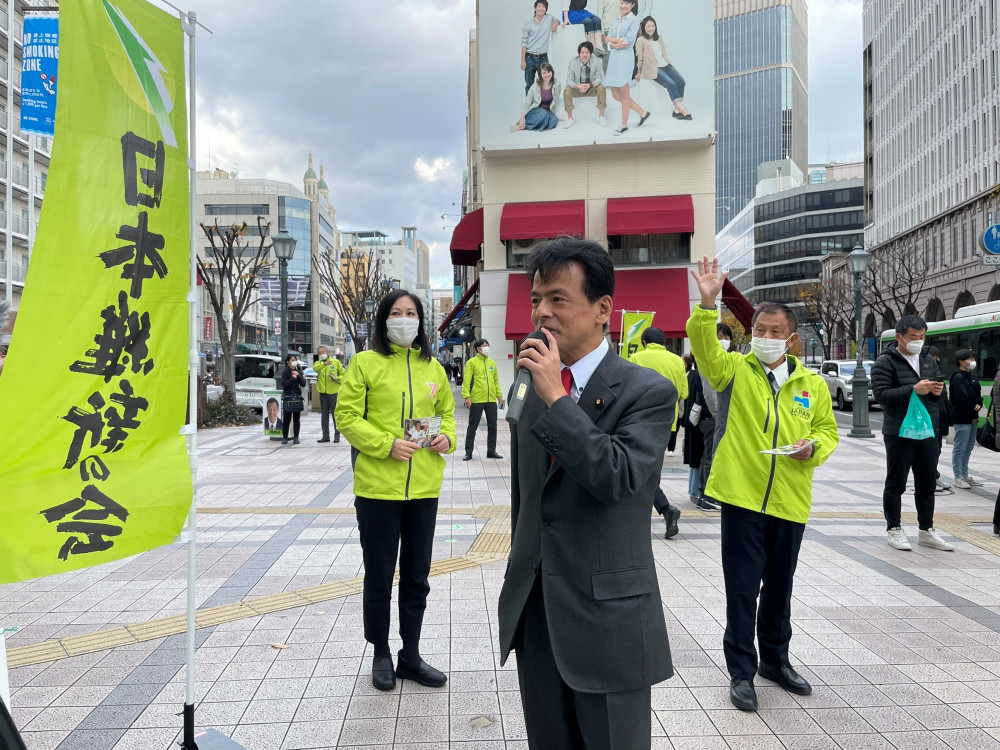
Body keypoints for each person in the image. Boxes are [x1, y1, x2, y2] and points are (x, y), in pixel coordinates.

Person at [498, 238, 674, 750]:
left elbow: (617, 477)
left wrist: (557, 397)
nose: (541, 313)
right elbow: (525, 496)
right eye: (535, 299)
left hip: (609, 621)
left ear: (602, 310)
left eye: (557, 299)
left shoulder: (646, 391)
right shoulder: (528, 383)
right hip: (537, 612)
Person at [688, 257, 839, 712]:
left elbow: (828, 431)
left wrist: (813, 446)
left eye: (776, 332)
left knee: (779, 586)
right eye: (761, 329)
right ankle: (741, 672)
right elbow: (704, 350)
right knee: (741, 587)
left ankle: (776, 660)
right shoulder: (734, 369)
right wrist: (708, 304)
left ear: (792, 339)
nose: (767, 338)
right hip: (742, 497)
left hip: (790, 501)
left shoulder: (812, 384)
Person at [335, 290, 457, 692]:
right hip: (377, 490)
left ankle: (412, 655)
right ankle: (381, 652)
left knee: (418, 575)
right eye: (396, 313)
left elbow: (446, 416)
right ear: (384, 320)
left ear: (421, 321)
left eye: (411, 313)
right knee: (380, 575)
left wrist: (447, 440)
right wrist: (386, 444)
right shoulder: (364, 364)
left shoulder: (433, 368)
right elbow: (347, 416)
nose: (404, 319)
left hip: (423, 489)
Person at [871, 315, 954, 552]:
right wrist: (913, 390)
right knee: (896, 483)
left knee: (927, 483)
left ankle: (926, 530)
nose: (918, 342)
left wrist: (937, 392)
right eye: (913, 338)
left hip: (928, 430)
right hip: (899, 431)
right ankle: (894, 529)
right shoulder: (885, 362)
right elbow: (882, 396)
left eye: (922, 337)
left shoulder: (928, 359)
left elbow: (940, 395)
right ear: (900, 337)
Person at [629, 326, 687, 537]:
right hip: (667, 425)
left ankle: (664, 509)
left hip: (638, 422)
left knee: (640, 470)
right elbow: (684, 392)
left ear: (644, 342)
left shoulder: (636, 358)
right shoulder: (677, 361)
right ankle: (665, 510)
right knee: (650, 470)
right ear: (664, 343)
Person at [603, 0, 649, 136]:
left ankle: (624, 124)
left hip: (625, 60)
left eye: (627, 3)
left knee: (624, 94)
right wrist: (615, 43)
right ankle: (643, 113)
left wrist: (614, 42)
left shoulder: (635, 20)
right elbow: (606, 39)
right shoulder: (616, 20)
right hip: (614, 60)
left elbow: (628, 41)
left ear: (632, 5)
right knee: (615, 94)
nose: (623, 6)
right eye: (622, 2)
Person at [698, 323, 732, 502]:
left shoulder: (732, 360)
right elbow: (709, 392)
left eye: (726, 337)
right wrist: (718, 414)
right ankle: (708, 495)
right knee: (712, 454)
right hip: (714, 416)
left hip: (723, 416)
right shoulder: (709, 361)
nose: (723, 341)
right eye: (719, 337)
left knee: (716, 454)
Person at [634, 16, 692, 119]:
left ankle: (676, 110)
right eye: (648, 26)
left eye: (653, 26)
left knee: (681, 82)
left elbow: (663, 53)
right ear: (643, 28)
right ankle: (684, 111)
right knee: (672, 84)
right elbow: (640, 57)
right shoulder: (640, 40)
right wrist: (639, 72)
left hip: (666, 65)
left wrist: (667, 63)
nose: (651, 28)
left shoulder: (659, 38)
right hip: (653, 68)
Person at [462, 339, 505, 461]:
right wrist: (467, 396)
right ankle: (468, 452)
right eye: (485, 346)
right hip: (476, 399)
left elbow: (495, 381)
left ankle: (491, 451)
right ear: (478, 349)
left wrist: (499, 396)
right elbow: (466, 380)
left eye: (488, 346)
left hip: (491, 399)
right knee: (473, 426)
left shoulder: (492, 363)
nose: (487, 348)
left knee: (493, 426)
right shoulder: (472, 363)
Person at [950, 348, 983, 489]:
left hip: (972, 417)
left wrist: (979, 403)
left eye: (973, 359)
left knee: (968, 448)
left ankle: (964, 474)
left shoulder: (972, 376)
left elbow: (977, 393)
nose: (972, 362)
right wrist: (972, 406)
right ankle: (958, 477)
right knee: (960, 448)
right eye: (969, 359)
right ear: (961, 361)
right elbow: (961, 397)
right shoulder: (958, 377)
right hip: (962, 417)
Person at [925, 345, 953, 491]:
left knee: (937, 450)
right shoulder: (924, 375)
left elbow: (944, 398)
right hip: (929, 421)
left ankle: (934, 477)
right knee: (930, 453)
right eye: (935, 358)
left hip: (940, 418)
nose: (937, 361)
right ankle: (931, 479)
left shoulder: (938, 374)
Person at [563, 41, 608, 128]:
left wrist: (589, 85)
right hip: (578, 89)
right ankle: (570, 118)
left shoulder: (596, 61)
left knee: (601, 87)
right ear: (579, 53)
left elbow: (599, 78)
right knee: (567, 90)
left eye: (587, 52)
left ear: (590, 53)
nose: (584, 55)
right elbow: (568, 80)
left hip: (590, 88)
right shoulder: (573, 62)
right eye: (582, 52)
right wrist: (577, 86)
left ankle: (602, 116)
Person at [521, 0, 560, 95]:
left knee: (547, 83)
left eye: (543, 6)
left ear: (546, 9)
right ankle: (531, 108)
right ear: (535, 8)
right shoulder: (528, 23)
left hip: (543, 58)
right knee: (529, 84)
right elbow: (524, 43)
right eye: (539, 6)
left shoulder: (549, 18)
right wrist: (523, 60)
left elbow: (558, 20)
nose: (541, 8)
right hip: (529, 58)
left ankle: (545, 106)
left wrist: (555, 24)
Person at [512, 63, 563, 132]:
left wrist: (553, 116)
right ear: (540, 75)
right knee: (543, 114)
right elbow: (527, 104)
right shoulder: (534, 86)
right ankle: (523, 125)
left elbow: (555, 102)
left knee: (554, 121)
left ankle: (533, 125)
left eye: (549, 72)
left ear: (552, 72)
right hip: (535, 112)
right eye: (544, 73)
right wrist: (521, 120)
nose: (547, 75)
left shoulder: (557, 84)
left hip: (547, 112)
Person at [314, 345, 346, 443]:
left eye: (323, 352)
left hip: (333, 392)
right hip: (323, 392)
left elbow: (343, 374)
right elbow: (315, 369)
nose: (322, 354)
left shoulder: (335, 362)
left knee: (335, 415)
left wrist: (337, 379)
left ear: (327, 352)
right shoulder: (318, 363)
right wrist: (324, 364)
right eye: (320, 353)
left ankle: (337, 436)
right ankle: (325, 436)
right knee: (324, 415)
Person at [280, 354, 306, 446]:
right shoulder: (285, 372)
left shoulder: (298, 371)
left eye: (295, 360)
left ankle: (296, 437)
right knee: (286, 418)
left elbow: (303, 384)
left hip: (297, 398)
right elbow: (284, 384)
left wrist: (298, 375)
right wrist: (292, 378)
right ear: (288, 362)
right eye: (292, 360)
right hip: (288, 398)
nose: (294, 361)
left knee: (296, 419)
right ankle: (285, 437)